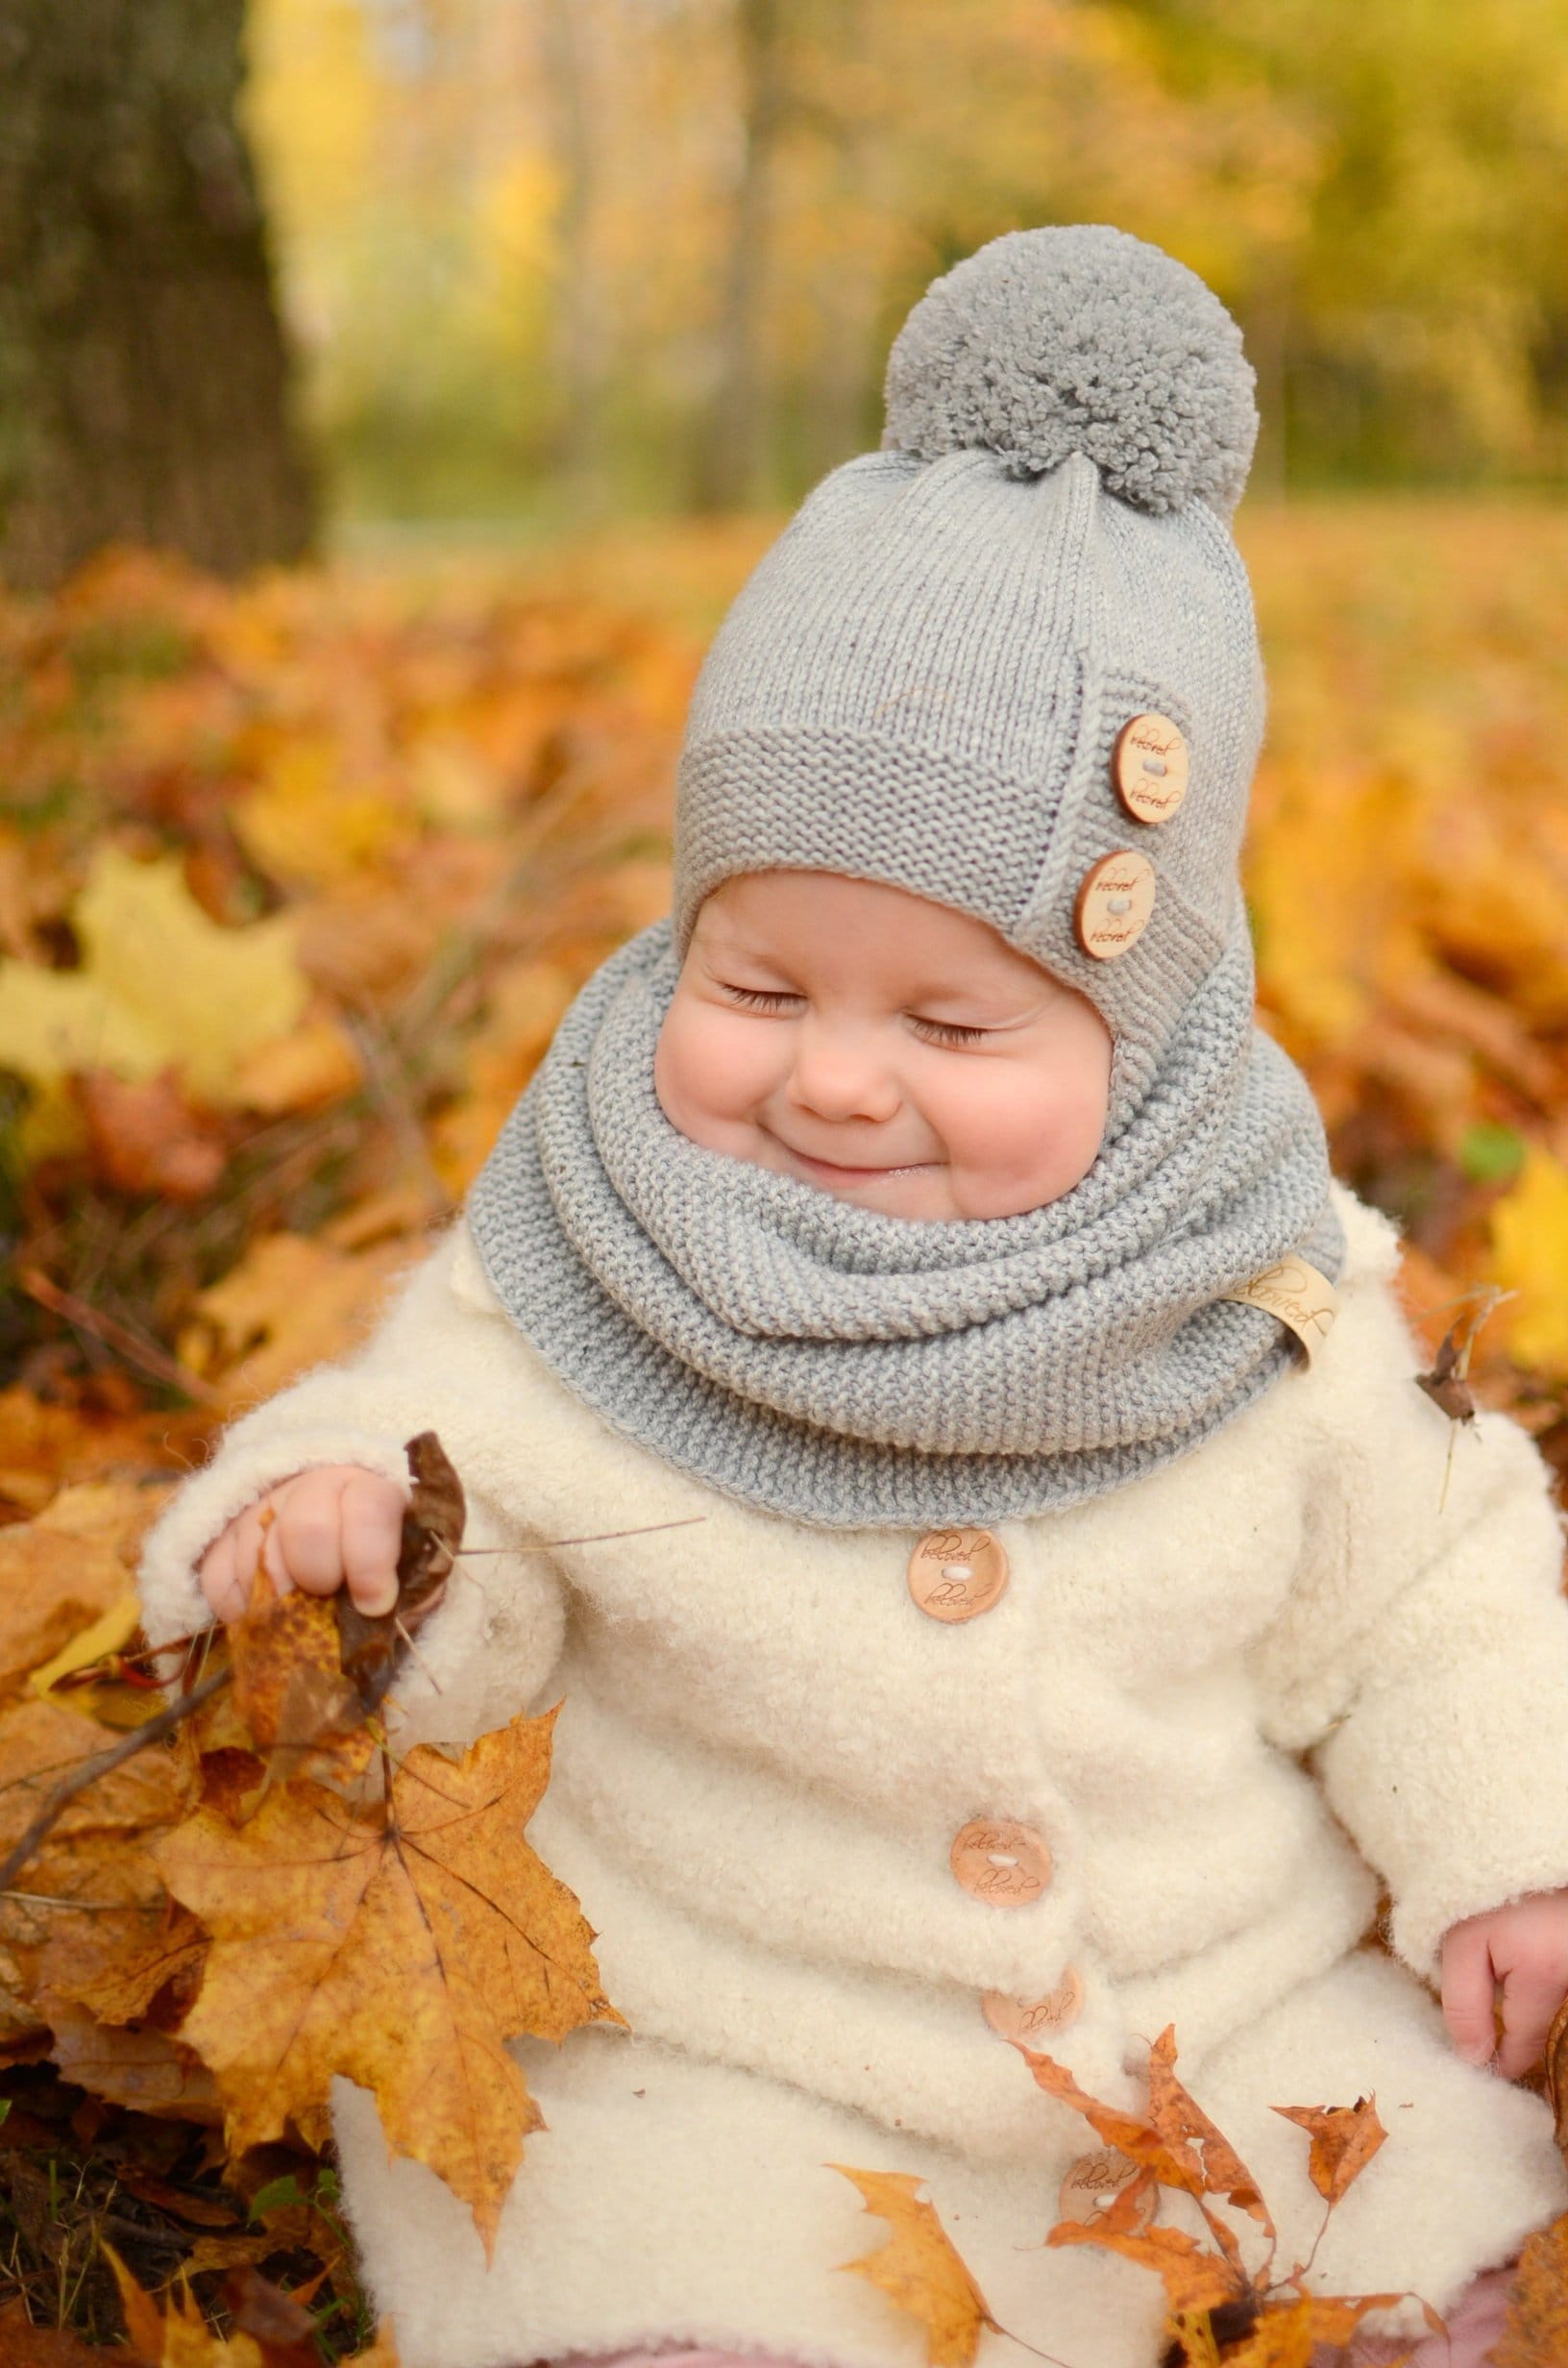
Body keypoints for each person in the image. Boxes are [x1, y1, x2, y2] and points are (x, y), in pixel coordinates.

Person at [135, 226, 1568, 2368]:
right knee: (621, 2232)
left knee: (1430, 2193)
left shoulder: (1260, 1291)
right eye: (758, 980)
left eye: (958, 1027)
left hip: (1217, 2009)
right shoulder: (593, 1257)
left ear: (1150, 1030)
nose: (829, 1072)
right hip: (718, 2041)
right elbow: (460, 1516)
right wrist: (344, 1543)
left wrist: (1508, 1857)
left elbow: (1428, 1602)